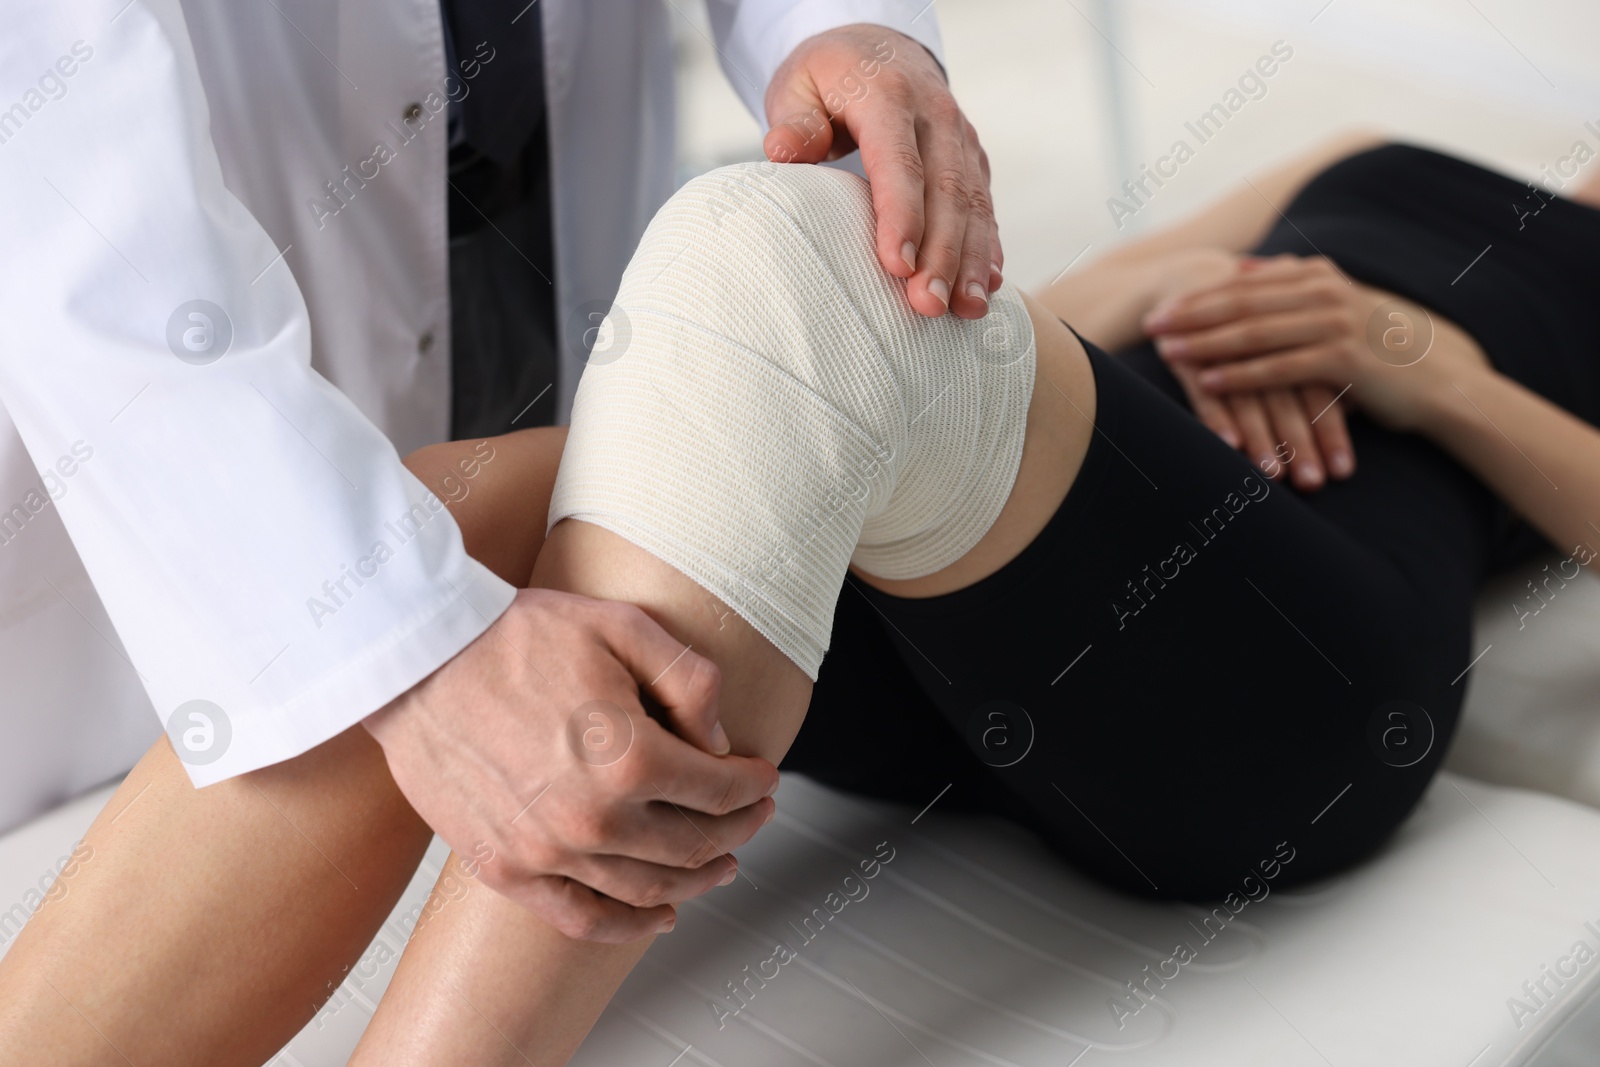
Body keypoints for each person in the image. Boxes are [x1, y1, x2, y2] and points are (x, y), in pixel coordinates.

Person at [4, 131, 1598, 1063]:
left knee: (788, 261)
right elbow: (1044, 303)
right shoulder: (1360, 160)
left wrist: (1419, 365)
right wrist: (1166, 327)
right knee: (428, 536)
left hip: (1286, 648)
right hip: (1037, 543)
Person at [0, 0, 1015, 936]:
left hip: (544, 320)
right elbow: (66, 204)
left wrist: (837, 25)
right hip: (162, 482)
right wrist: (398, 640)